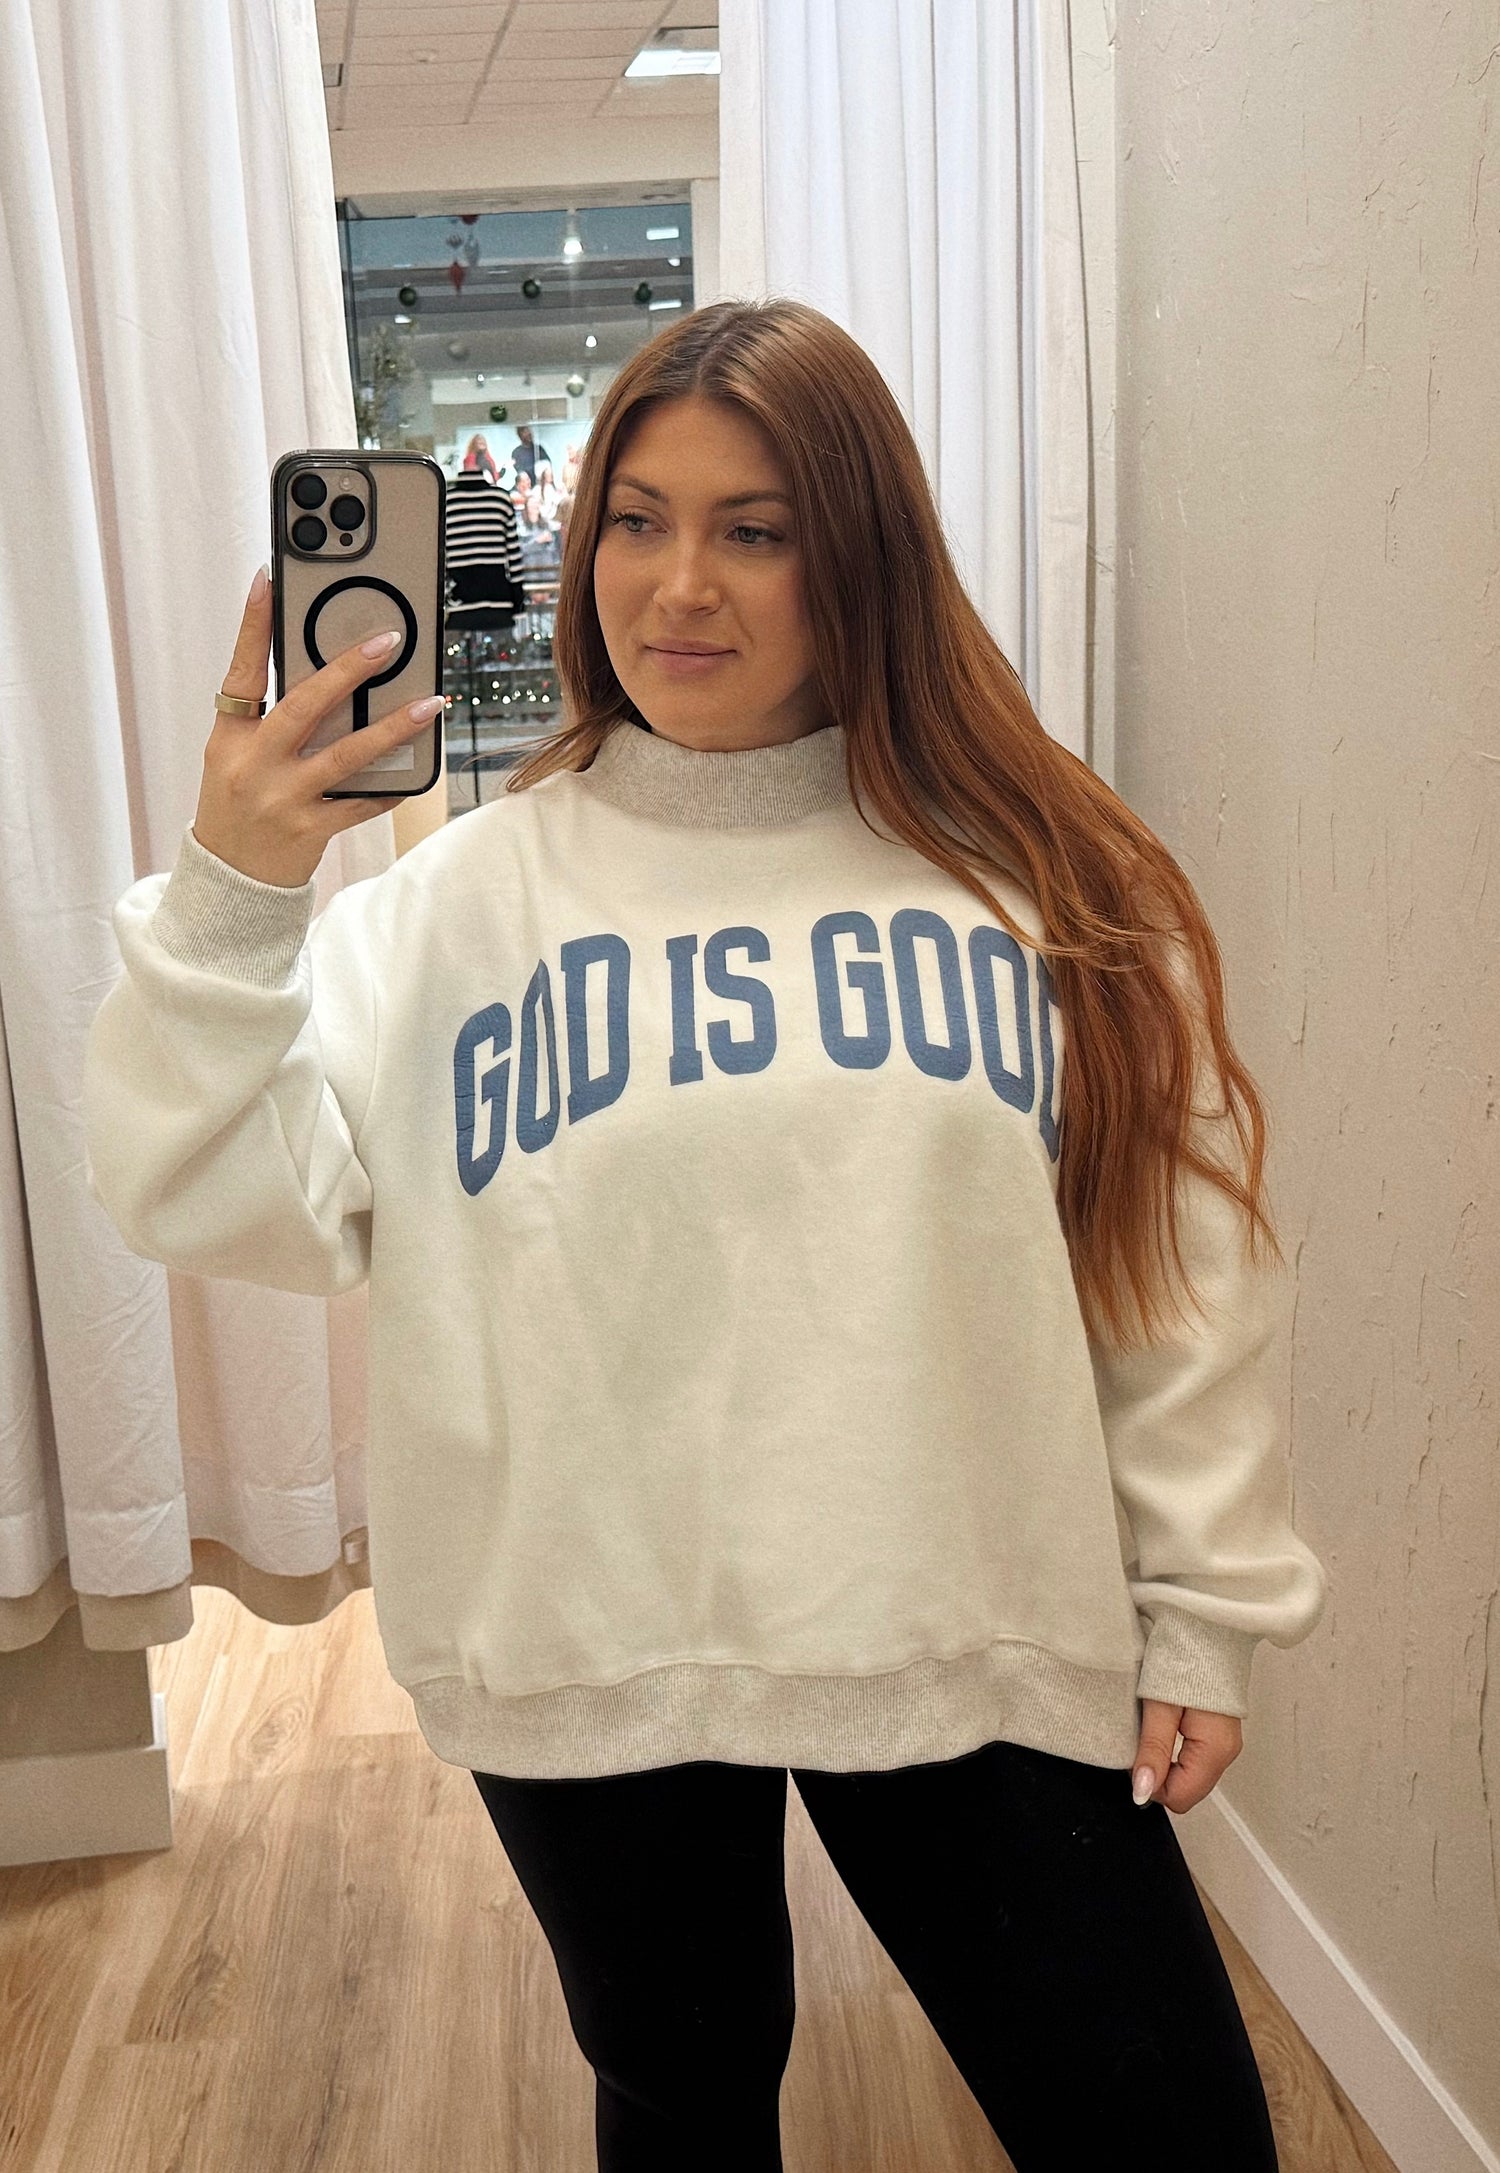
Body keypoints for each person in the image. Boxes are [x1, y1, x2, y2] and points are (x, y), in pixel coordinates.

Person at [82, 297, 1325, 2173]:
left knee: (1165, 2129)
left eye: (756, 528)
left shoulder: (1041, 885)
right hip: (589, 1644)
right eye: (635, 520)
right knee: (684, 2089)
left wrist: (1206, 1605)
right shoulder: (452, 910)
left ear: (864, 557)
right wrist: (239, 894)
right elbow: (198, 1190)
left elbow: (1181, 1270)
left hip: (973, 1618)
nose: (679, 585)